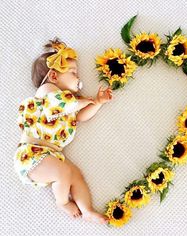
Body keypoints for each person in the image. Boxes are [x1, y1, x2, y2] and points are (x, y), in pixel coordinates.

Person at [14, 37, 113, 224]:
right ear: (53, 76)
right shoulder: (47, 92)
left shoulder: (70, 106)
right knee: (63, 172)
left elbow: (81, 116)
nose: (79, 78)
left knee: (75, 174)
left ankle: (87, 209)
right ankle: (62, 202)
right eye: (73, 73)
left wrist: (97, 103)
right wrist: (81, 101)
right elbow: (60, 104)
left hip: (52, 155)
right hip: (31, 155)